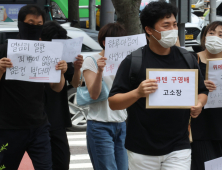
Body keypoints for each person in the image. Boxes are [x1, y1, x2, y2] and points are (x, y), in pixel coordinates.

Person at [108, 2, 208, 170]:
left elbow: (202, 91)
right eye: (166, 25)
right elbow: (114, 102)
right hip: (142, 149)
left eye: (174, 24)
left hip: (179, 146)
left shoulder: (187, 58)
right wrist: (138, 93)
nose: (172, 29)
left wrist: (199, 104)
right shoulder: (134, 60)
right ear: (149, 30)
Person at [0, 5, 67, 170]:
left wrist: (61, 72)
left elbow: (56, 88)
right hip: (8, 128)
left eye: (39, 24)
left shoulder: (47, 52)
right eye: (30, 23)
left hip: (39, 126)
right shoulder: (4, 50)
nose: (34, 27)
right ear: (21, 24)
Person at [82, 23, 128, 170]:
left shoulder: (126, 62)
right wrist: (100, 71)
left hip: (121, 123)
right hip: (100, 124)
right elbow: (94, 94)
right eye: (117, 42)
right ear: (105, 42)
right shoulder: (92, 60)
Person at [41, 21, 83, 170]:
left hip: (56, 117)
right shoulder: (32, 56)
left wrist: (77, 69)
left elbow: (76, 83)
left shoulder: (63, 59)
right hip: (32, 118)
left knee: (62, 161)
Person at [191, 21, 222, 170]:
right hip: (201, 128)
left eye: (221, 35)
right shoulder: (192, 59)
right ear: (204, 36)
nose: (215, 38)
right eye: (211, 33)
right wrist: (200, 86)